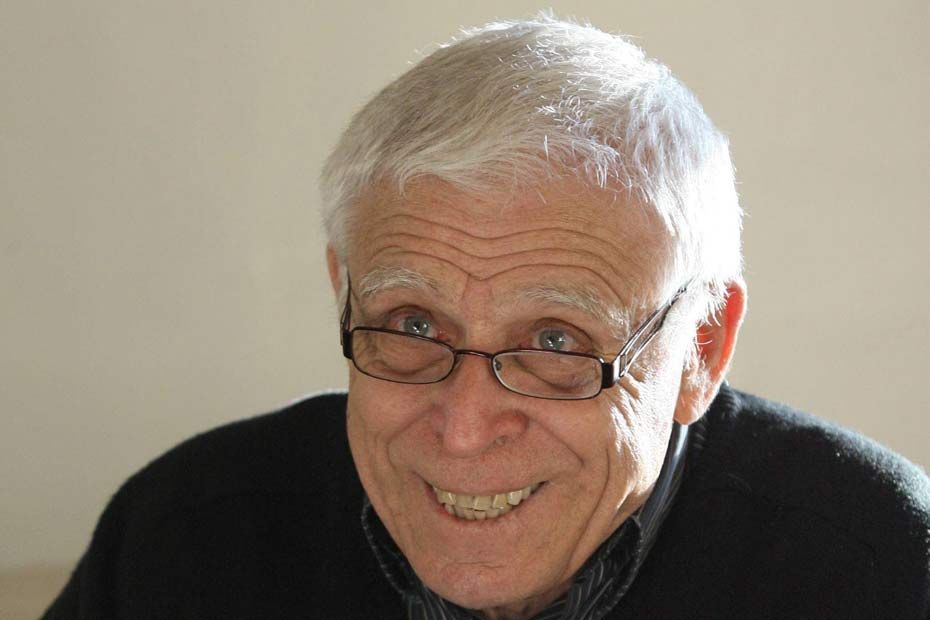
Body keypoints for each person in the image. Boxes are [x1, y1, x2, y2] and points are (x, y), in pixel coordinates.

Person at [44, 15, 929, 620]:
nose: (464, 430)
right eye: (413, 325)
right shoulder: (183, 540)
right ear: (344, 292)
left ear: (700, 350)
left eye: (556, 342)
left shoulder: (881, 567)